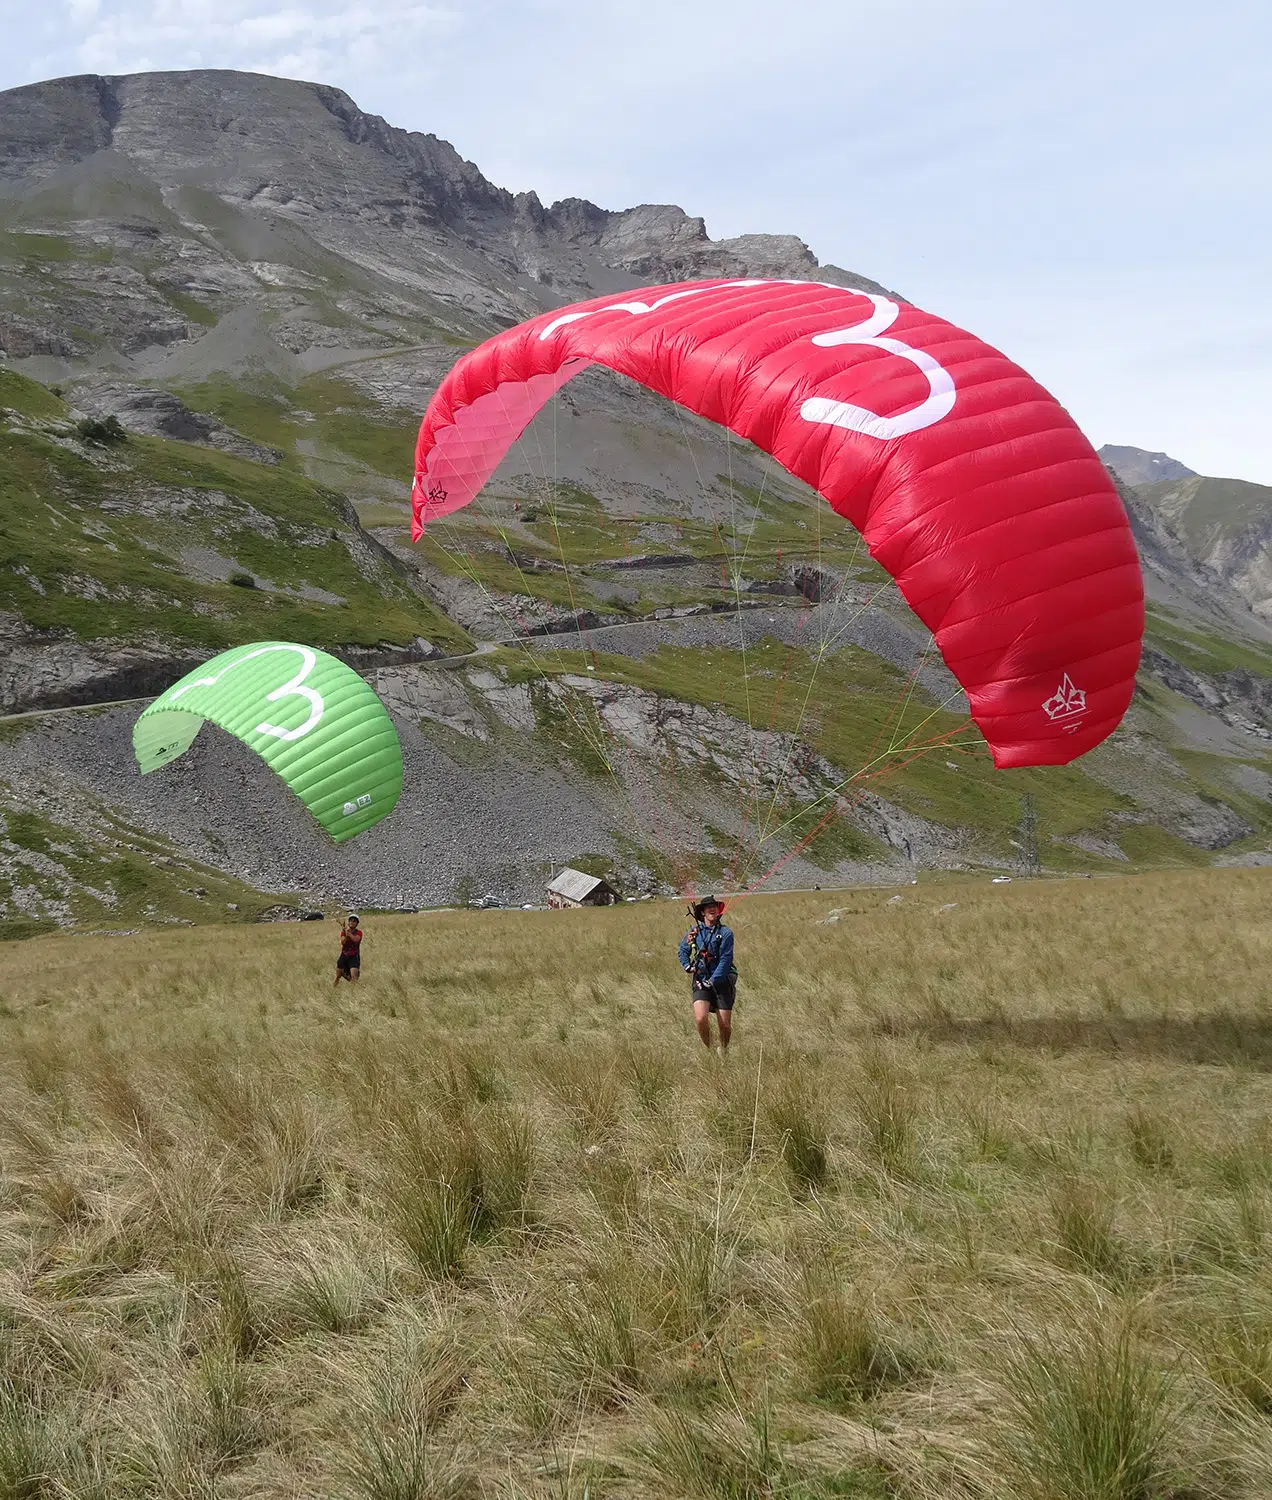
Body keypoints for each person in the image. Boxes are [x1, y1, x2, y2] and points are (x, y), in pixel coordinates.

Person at [678, 896, 737, 1056]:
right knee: (700, 1019)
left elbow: (725, 960)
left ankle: (723, 1050)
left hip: (722, 981)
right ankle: (711, 1051)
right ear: (702, 912)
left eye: (714, 906)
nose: (712, 909)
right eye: (708, 907)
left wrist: (711, 982)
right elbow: (682, 950)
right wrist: (687, 965)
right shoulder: (694, 932)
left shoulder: (726, 933)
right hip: (701, 979)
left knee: (724, 1025)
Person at [335, 912, 362, 986]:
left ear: (357, 923)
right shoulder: (343, 932)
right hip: (344, 955)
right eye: (350, 921)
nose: (352, 922)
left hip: (354, 956)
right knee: (338, 974)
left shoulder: (359, 932)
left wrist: (349, 934)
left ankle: (353, 988)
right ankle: (335, 987)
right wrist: (346, 936)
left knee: (354, 976)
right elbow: (343, 942)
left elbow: (356, 940)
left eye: (354, 921)